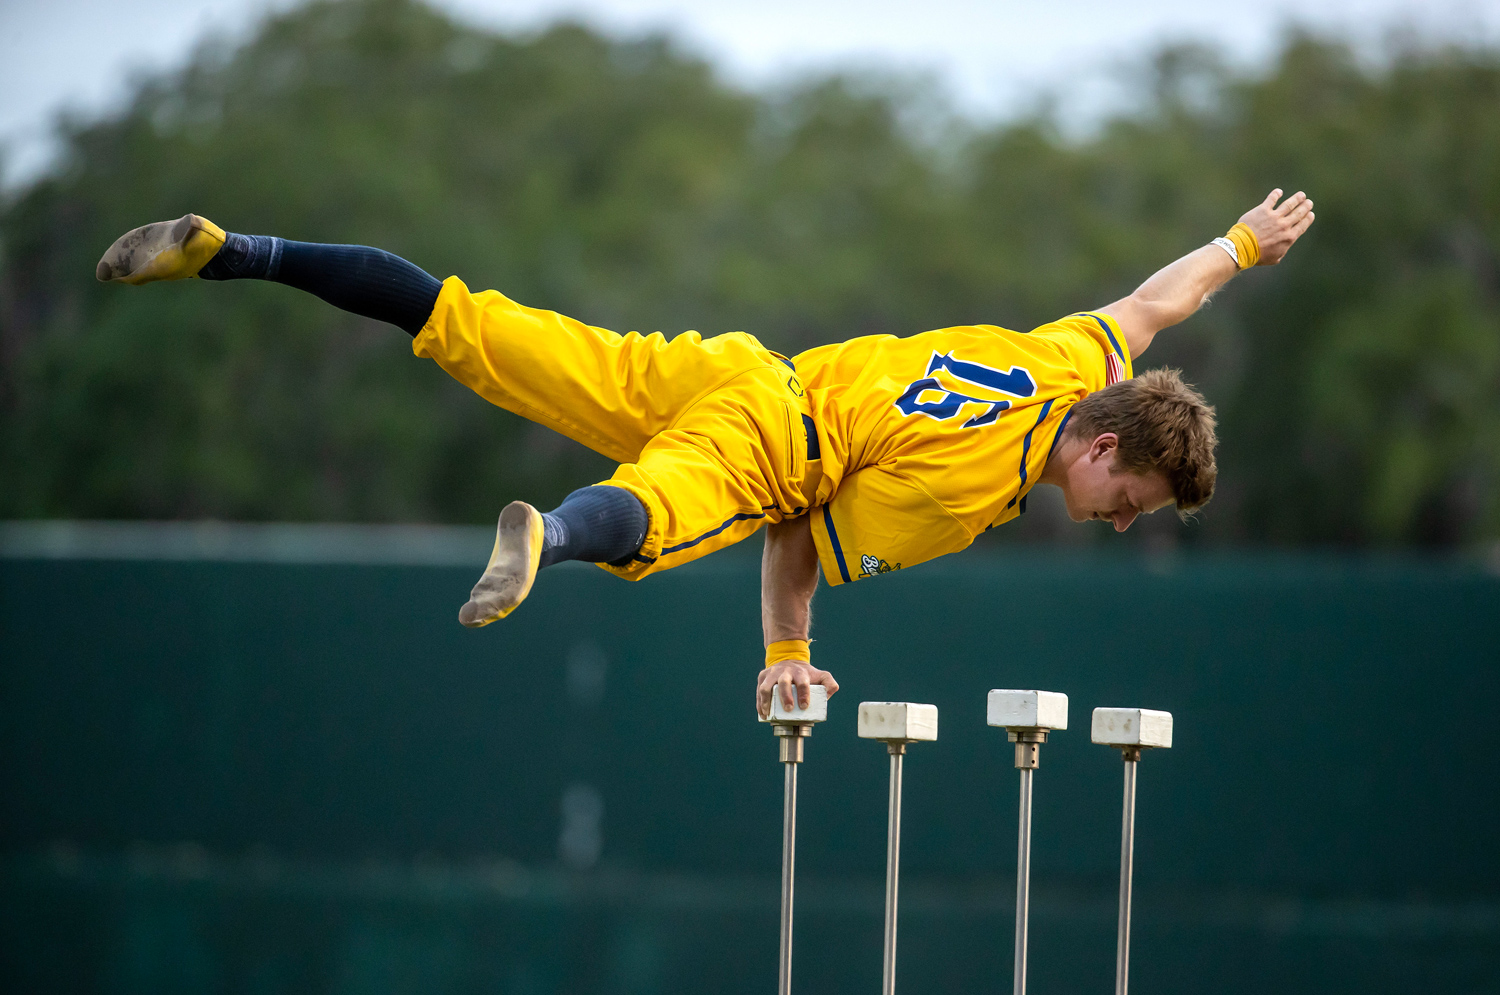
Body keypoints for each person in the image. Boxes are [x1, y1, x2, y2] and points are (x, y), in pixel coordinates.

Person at [96, 189, 1314, 717]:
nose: (1117, 519)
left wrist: (1241, 244)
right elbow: (797, 534)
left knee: (468, 321)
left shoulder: (1068, 359)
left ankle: (232, 247)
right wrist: (788, 653)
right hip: (759, 442)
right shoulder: (970, 490)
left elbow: (1158, 304)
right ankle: (552, 535)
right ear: (1106, 442)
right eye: (1130, 498)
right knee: (650, 521)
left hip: (729, 366)